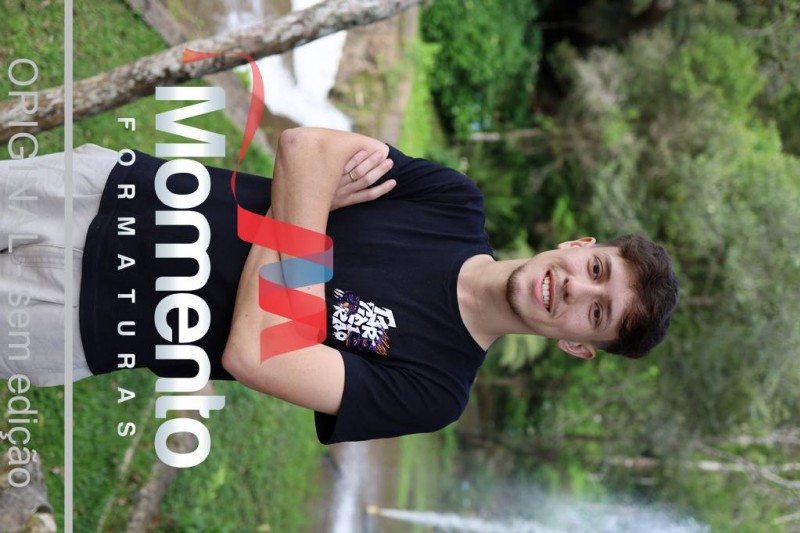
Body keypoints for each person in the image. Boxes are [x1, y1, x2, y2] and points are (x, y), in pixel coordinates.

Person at [0, 127, 678, 443]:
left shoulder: (435, 390)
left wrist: (305, 209)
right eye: (597, 271)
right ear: (579, 246)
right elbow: (305, 148)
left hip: (86, 322)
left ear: (577, 347)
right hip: (106, 193)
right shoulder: (452, 202)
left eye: (597, 314)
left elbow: (251, 357)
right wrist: (293, 302)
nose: (577, 290)